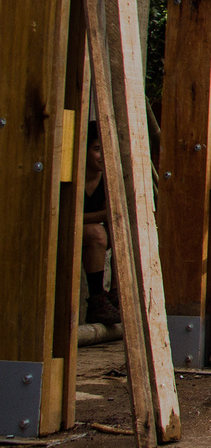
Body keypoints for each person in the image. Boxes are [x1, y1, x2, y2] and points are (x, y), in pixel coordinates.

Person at [82, 122, 121, 326]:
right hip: (69, 233)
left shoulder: (107, 178)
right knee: (98, 232)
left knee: (121, 233)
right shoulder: (74, 175)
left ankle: (115, 294)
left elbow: (112, 216)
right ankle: (97, 299)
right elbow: (67, 217)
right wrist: (100, 215)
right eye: (97, 149)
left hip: (95, 234)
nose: (102, 155)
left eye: (105, 149)